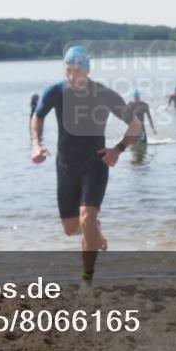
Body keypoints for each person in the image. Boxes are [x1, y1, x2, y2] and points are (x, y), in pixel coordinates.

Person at [30, 46, 141, 285]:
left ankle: (87, 278)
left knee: (86, 218)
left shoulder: (103, 94)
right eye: (68, 71)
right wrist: (36, 144)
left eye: (77, 71)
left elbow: (135, 125)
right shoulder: (55, 91)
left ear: (87, 70)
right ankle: (94, 230)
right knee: (71, 229)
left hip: (95, 163)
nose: (72, 76)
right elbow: (38, 116)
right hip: (66, 166)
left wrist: (118, 149)